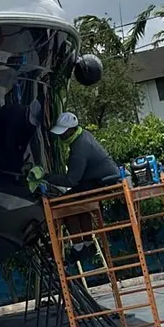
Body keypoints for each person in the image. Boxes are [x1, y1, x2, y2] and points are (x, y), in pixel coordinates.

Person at [41, 111, 121, 260]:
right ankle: (87, 243)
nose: (61, 136)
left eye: (63, 133)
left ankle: (78, 247)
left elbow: (71, 180)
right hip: (101, 179)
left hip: (101, 182)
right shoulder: (84, 135)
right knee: (79, 202)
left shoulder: (79, 148)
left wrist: (46, 177)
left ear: (71, 130)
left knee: (62, 205)